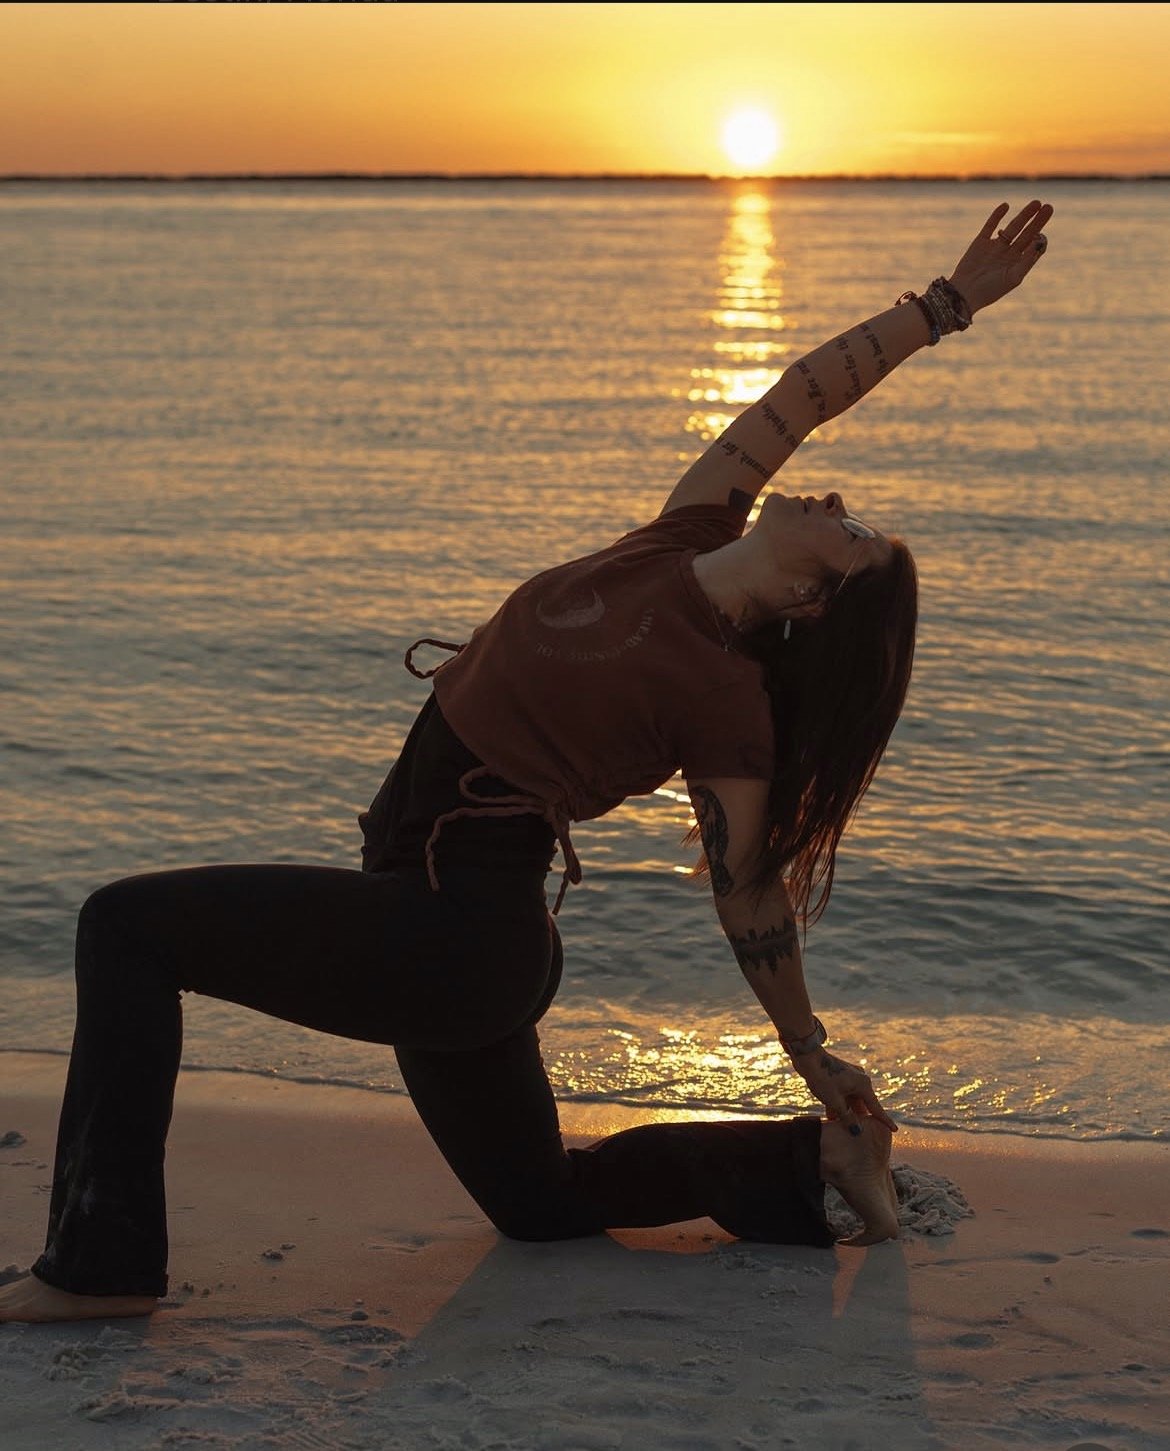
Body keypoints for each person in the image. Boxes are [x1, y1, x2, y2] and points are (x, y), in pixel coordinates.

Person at [0, 199, 1053, 1324]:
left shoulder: (725, 701)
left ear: (807, 602)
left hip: (456, 932)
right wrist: (945, 306)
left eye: (850, 538)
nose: (839, 502)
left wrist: (809, 1047)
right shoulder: (682, 534)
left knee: (126, 926)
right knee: (540, 1202)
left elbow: (748, 893)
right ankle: (814, 1168)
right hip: (441, 924)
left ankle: (100, 1268)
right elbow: (796, 393)